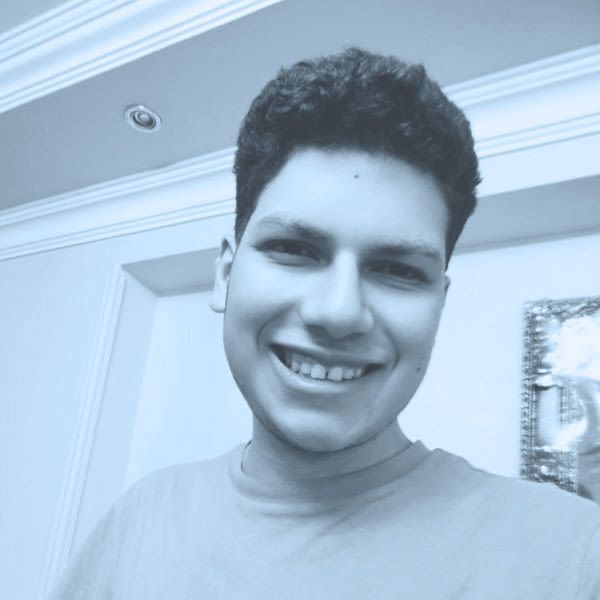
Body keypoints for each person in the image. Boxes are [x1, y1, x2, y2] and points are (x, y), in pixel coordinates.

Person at [50, 47, 600, 599]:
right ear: (226, 275)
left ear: (439, 303)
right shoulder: (134, 525)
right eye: (294, 249)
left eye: (397, 270)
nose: (338, 313)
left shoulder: (574, 555)